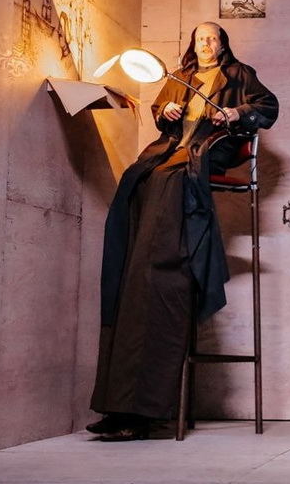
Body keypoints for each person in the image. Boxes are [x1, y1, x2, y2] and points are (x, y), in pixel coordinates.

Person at [86, 22, 279, 441]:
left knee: (166, 188)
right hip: (168, 155)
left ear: (223, 45)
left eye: (213, 38)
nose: (205, 44)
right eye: (199, 39)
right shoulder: (181, 77)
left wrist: (234, 113)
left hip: (201, 157)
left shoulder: (239, 74)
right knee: (134, 182)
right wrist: (166, 111)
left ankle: (140, 412)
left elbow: (268, 108)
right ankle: (119, 408)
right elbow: (159, 115)